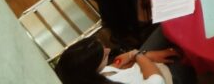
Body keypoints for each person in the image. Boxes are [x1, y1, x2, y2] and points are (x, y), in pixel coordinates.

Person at [55, 34, 194, 84]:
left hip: (144, 64)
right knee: (190, 50)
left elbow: (119, 62)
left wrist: (144, 55)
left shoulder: (92, 75)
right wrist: (139, 55)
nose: (109, 51)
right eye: (104, 55)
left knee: (164, 29)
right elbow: (157, 80)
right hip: (164, 77)